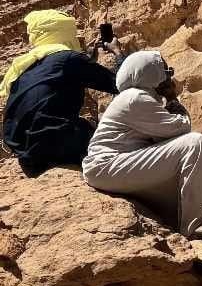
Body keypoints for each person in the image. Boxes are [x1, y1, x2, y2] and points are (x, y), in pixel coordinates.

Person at [83, 51, 202, 239]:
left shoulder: (137, 97)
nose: (168, 76)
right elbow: (180, 128)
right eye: (164, 71)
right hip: (108, 166)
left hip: (117, 165)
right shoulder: (135, 98)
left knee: (201, 154)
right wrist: (173, 98)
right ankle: (195, 226)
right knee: (196, 143)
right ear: (150, 73)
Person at [2, 11, 119, 177]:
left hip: (26, 158)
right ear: (64, 34)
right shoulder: (70, 59)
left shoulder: (25, 66)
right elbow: (119, 83)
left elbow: (58, 73)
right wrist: (117, 52)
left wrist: (88, 57)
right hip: (58, 146)